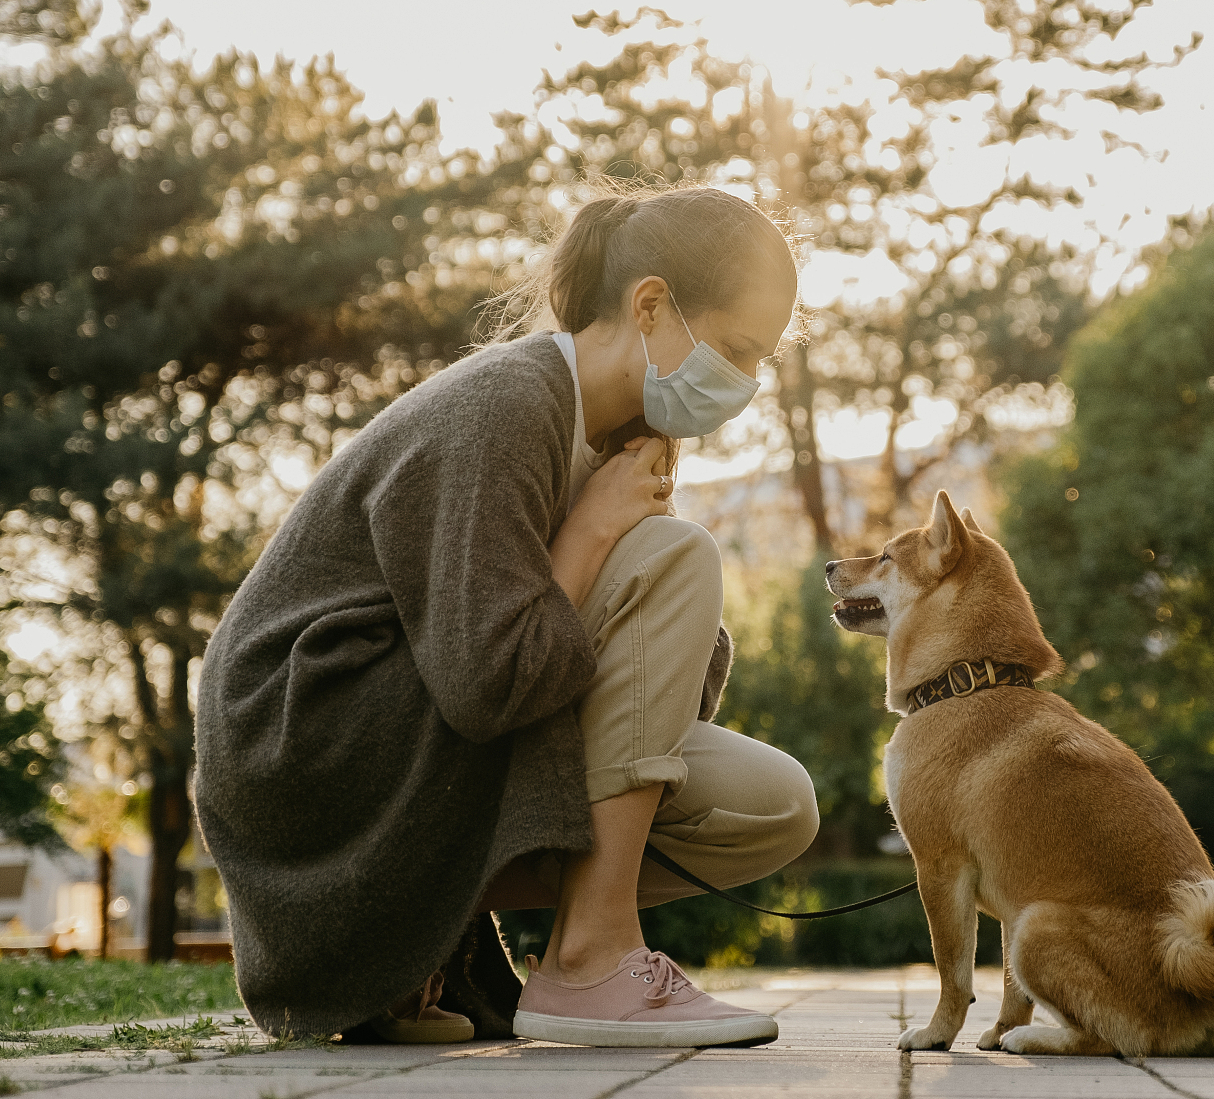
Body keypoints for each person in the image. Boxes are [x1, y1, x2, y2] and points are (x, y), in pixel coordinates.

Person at [194, 182, 818, 1048]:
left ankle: (413, 931)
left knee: (774, 805)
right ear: (651, 306)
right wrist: (596, 533)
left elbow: (644, 705)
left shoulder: (610, 440)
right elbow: (486, 682)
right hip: (304, 741)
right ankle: (591, 959)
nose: (746, 385)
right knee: (680, 557)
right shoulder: (507, 405)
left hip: (404, 728)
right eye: (739, 350)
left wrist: (620, 528)